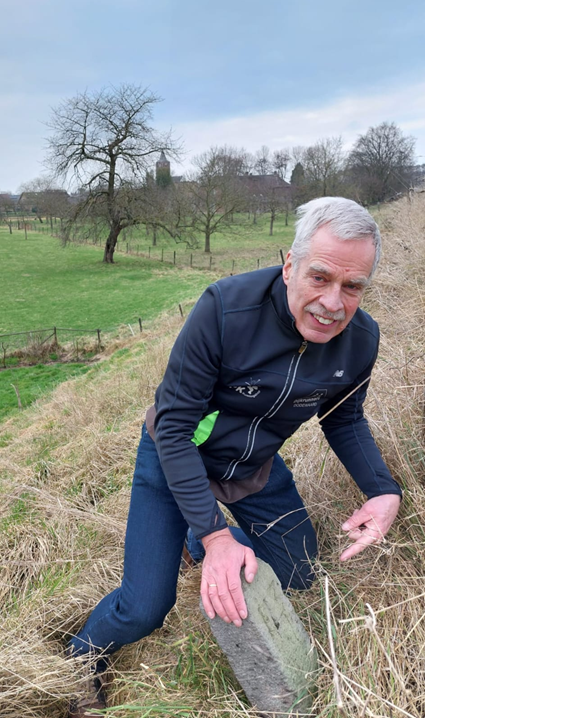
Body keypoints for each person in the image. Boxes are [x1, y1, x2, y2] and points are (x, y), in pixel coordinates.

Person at [66, 197, 403, 716]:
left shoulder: (361, 340)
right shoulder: (225, 308)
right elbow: (175, 428)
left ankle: (198, 540)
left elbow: (343, 416)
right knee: (144, 609)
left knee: (300, 574)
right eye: (319, 277)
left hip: (253, 468)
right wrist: (217, 534)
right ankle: (78, 658)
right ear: (289, 264)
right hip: (174, 458)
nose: (333, 303)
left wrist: (382, 491)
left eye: (352, 286)